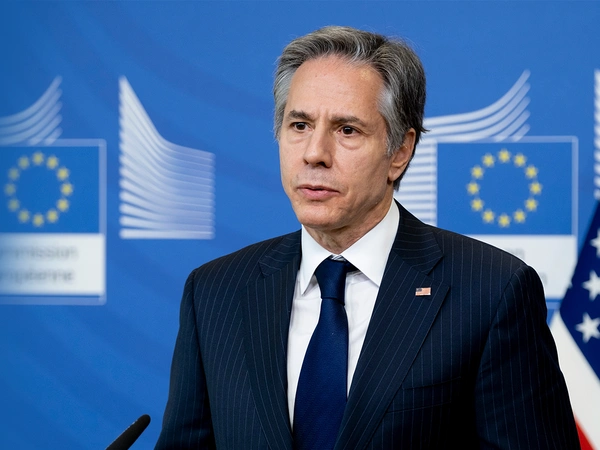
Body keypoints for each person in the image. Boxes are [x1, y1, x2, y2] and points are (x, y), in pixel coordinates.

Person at [156, 26, 580, 449]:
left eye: (347, 130)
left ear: (400, 152)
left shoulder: (491, 291)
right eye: (299, 125)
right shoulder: (215, 293)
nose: (314, 153)